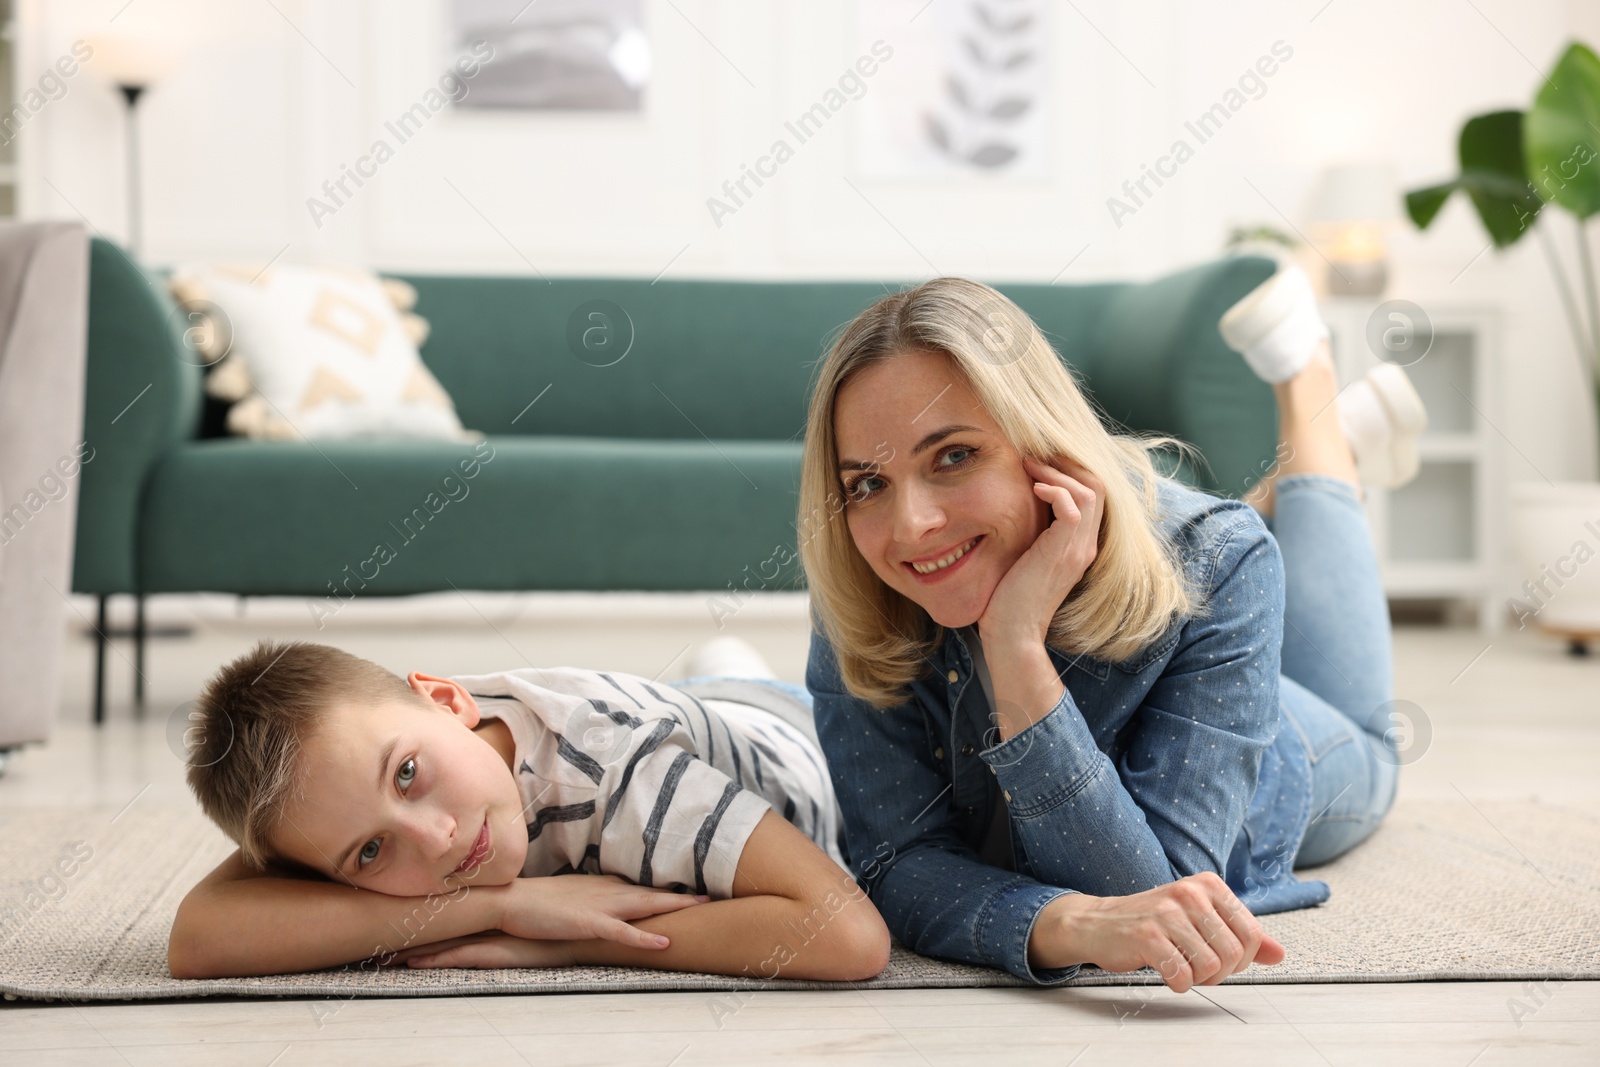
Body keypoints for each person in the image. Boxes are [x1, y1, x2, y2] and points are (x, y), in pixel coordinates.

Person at [796, 265, 1427, 991]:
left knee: (1377, 740)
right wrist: (1058, 923)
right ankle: (1316, 457)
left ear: (1042, 441)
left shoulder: (1219, 561)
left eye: (954, 455)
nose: (909, 527)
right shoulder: (863, 581)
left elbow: (1150, 898)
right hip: (1199, 593)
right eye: (867, 483)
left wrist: (1015, 646)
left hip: (1299, 742)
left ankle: (1311, 390)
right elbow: (894, 864)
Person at [168, 637, 889, 981]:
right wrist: (506, 906)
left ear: (449, 700)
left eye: (409, 773)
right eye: (369, 853)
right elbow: (197, 940)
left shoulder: (618, 775)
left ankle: (731, 668)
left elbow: (850, 937)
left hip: (794, 740)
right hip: (696, 712)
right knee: (713, 679)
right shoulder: (340, 791)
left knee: (742, 688)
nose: (437, 837)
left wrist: (567, 940)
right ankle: (720, 666)